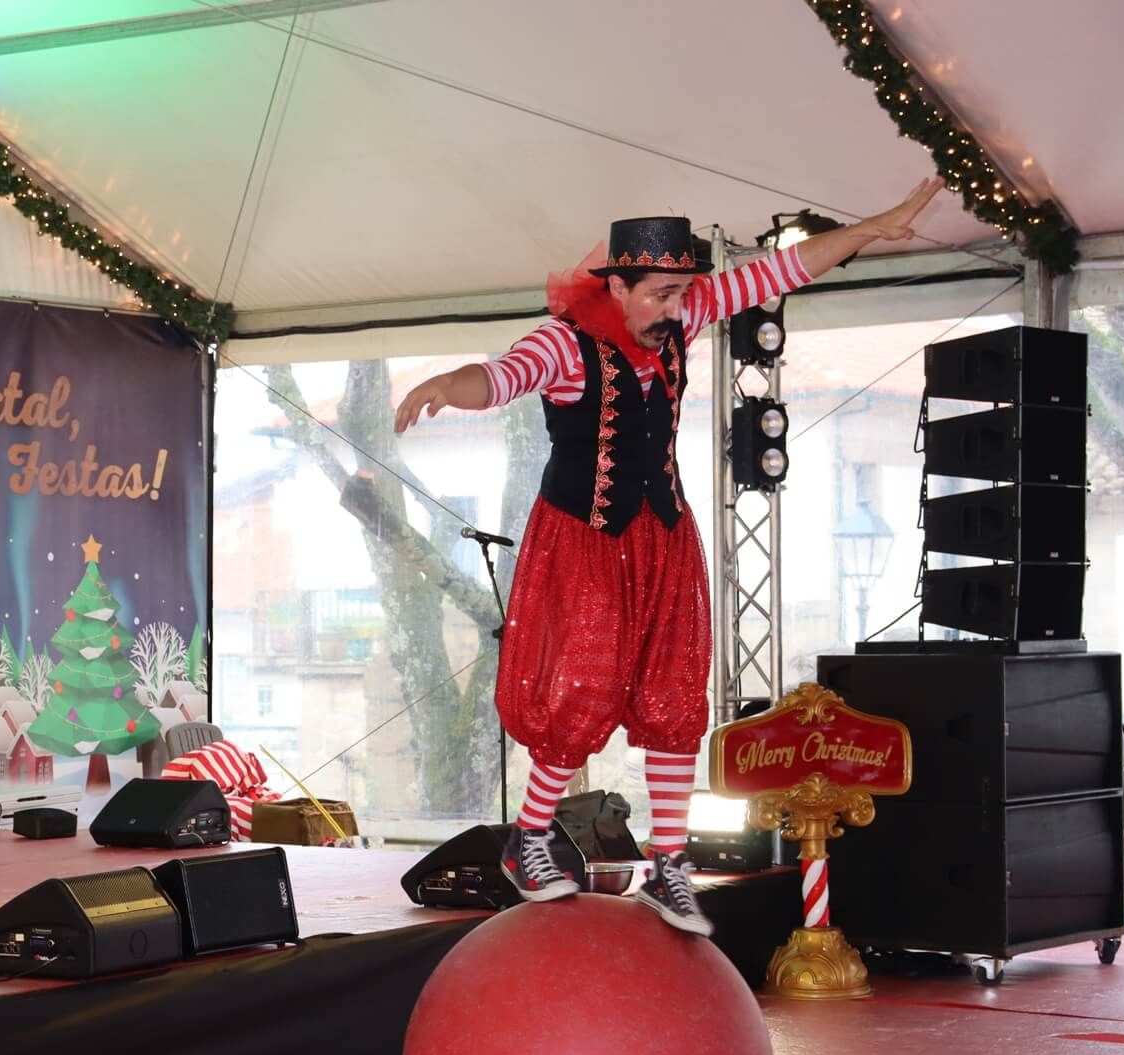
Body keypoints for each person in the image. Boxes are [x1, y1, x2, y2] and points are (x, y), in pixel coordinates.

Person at [394, 180, 941, 935]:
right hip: (585, 536)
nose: (674, 308)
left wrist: (871, 228)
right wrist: (444, 385)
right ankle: (529, 838)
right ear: (616, 286)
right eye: (658, 294)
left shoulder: (681, 317)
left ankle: (669, 866)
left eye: (682, 293)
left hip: (663, 533)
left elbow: (781, 270)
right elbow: (499, 377)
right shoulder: (565, 344)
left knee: (674, 695)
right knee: (585, 689)